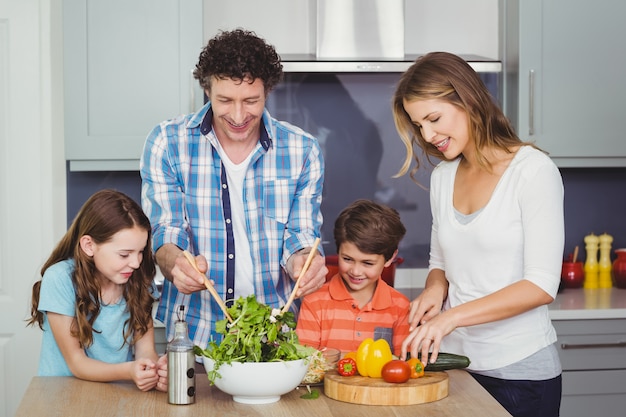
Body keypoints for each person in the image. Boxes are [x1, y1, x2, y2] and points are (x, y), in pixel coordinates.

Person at [392, 52, 564, 417]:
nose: (427, 135)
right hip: (456, 367)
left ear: (467, 99)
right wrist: (435, 289)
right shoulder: (443, 177)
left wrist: (450, 317)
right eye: (418, 124)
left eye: (434, 119)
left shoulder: (533, 172)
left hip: (520, 376)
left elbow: (541, 285)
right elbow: (441, 262)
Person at [140, 29, 327, 351]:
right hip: (194, 332)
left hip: (275, 333)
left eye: (251, 101)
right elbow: (165, 230)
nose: (239, 116)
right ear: (207, 90)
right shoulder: (167, 143)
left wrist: (303, 262)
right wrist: (174, 265)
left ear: (267, 92)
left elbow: (301, 233)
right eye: (224, 100)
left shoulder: (302, 150)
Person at [28, 189, 167, 392]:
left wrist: (155, 371)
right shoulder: (59, 279)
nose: (136, 263)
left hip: (118, 395)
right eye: (124, 254)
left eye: (140, 252)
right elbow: (77, 363)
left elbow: (146, 351)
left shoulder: (137, 279)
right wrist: (130, 371)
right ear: (89, 245)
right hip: (61, 396)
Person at [296, 199, 410, 356]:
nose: (356, 271)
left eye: (367, 263)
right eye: (347, 259)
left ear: (390, 258)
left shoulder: (401, 307)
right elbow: (304, 361)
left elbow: (404, 364)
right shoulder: (314, 302)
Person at [294, 74, 383, 251]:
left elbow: (341, 196)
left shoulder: (341, 140)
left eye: (313, 109)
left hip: (345, 228)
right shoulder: (367, 130)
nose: (314, 117)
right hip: (361, 226)